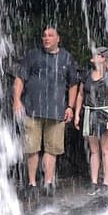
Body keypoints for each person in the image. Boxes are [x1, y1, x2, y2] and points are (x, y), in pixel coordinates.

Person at [12, 26, 80, 193]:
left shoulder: (66, 58)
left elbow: (73, 84)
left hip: (57, 111)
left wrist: (70, 107)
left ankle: (48, 183)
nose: (46, 39)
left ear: (58, 39)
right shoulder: (33, 55)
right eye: (44, 36)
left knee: (53, 149)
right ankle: (32, 183)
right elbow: (20, 79)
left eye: (50, 36)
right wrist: (16, 101)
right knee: (32, 148)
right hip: (32, 109)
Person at [74, 46, 108, 190]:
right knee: (94, 149)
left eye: (96, 54)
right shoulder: (87, 75)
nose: (92, 56)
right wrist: (77, 114)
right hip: (90, 113)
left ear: (103, 58)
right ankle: (94, 182)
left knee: (105, 148)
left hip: (104, 113)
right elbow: (81, 95)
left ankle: (105, 182)